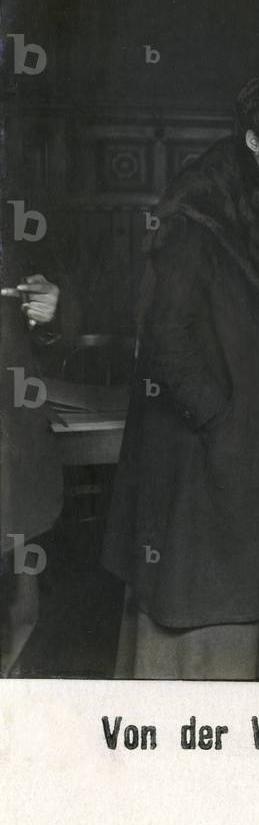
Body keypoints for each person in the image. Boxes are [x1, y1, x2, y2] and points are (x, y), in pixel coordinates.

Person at [101, 76, 259, 679]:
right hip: (199, 452)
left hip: (244, 443)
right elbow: (164, 334)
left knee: (235, 588)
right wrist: (221, 419)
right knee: (195, 594)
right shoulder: (194, 214)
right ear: (253, 142)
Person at [0, 268, 62, 676]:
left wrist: (49, 315)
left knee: (21, 615)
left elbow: (44, 336)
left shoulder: (21, 216)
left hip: (15, 453)